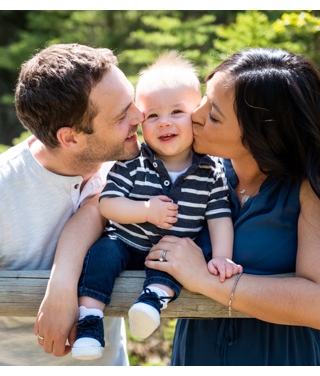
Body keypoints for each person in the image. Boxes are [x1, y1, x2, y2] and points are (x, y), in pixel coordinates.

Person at [141, 48, 320, 365]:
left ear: (263, 134)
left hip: (282, 358)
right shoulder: (196, 170)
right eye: (204, 98)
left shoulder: (318, 187)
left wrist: (202, 280)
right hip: (195, 357)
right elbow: (101, 201)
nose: (195, 115)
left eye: (214, 115)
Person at [0, 43, 143, 366]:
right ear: (70, 138)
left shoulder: (131, 164)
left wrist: (63, 280)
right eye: (121, 115)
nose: (139, 117)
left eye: (132, 101)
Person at [70, 51, 238, 360]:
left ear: (197, 112)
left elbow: (220, 218)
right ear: (140, 120)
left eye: (177, 111)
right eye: (153, 116)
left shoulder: (210, 170)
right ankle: (89, 320)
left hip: (169, 251)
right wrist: (145, 210)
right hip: (125, 242)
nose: (164, 123)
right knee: (102, 254)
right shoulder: (135, 161)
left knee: (185, 256)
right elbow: (108, 204)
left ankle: (152, 300)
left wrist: (224, 258)